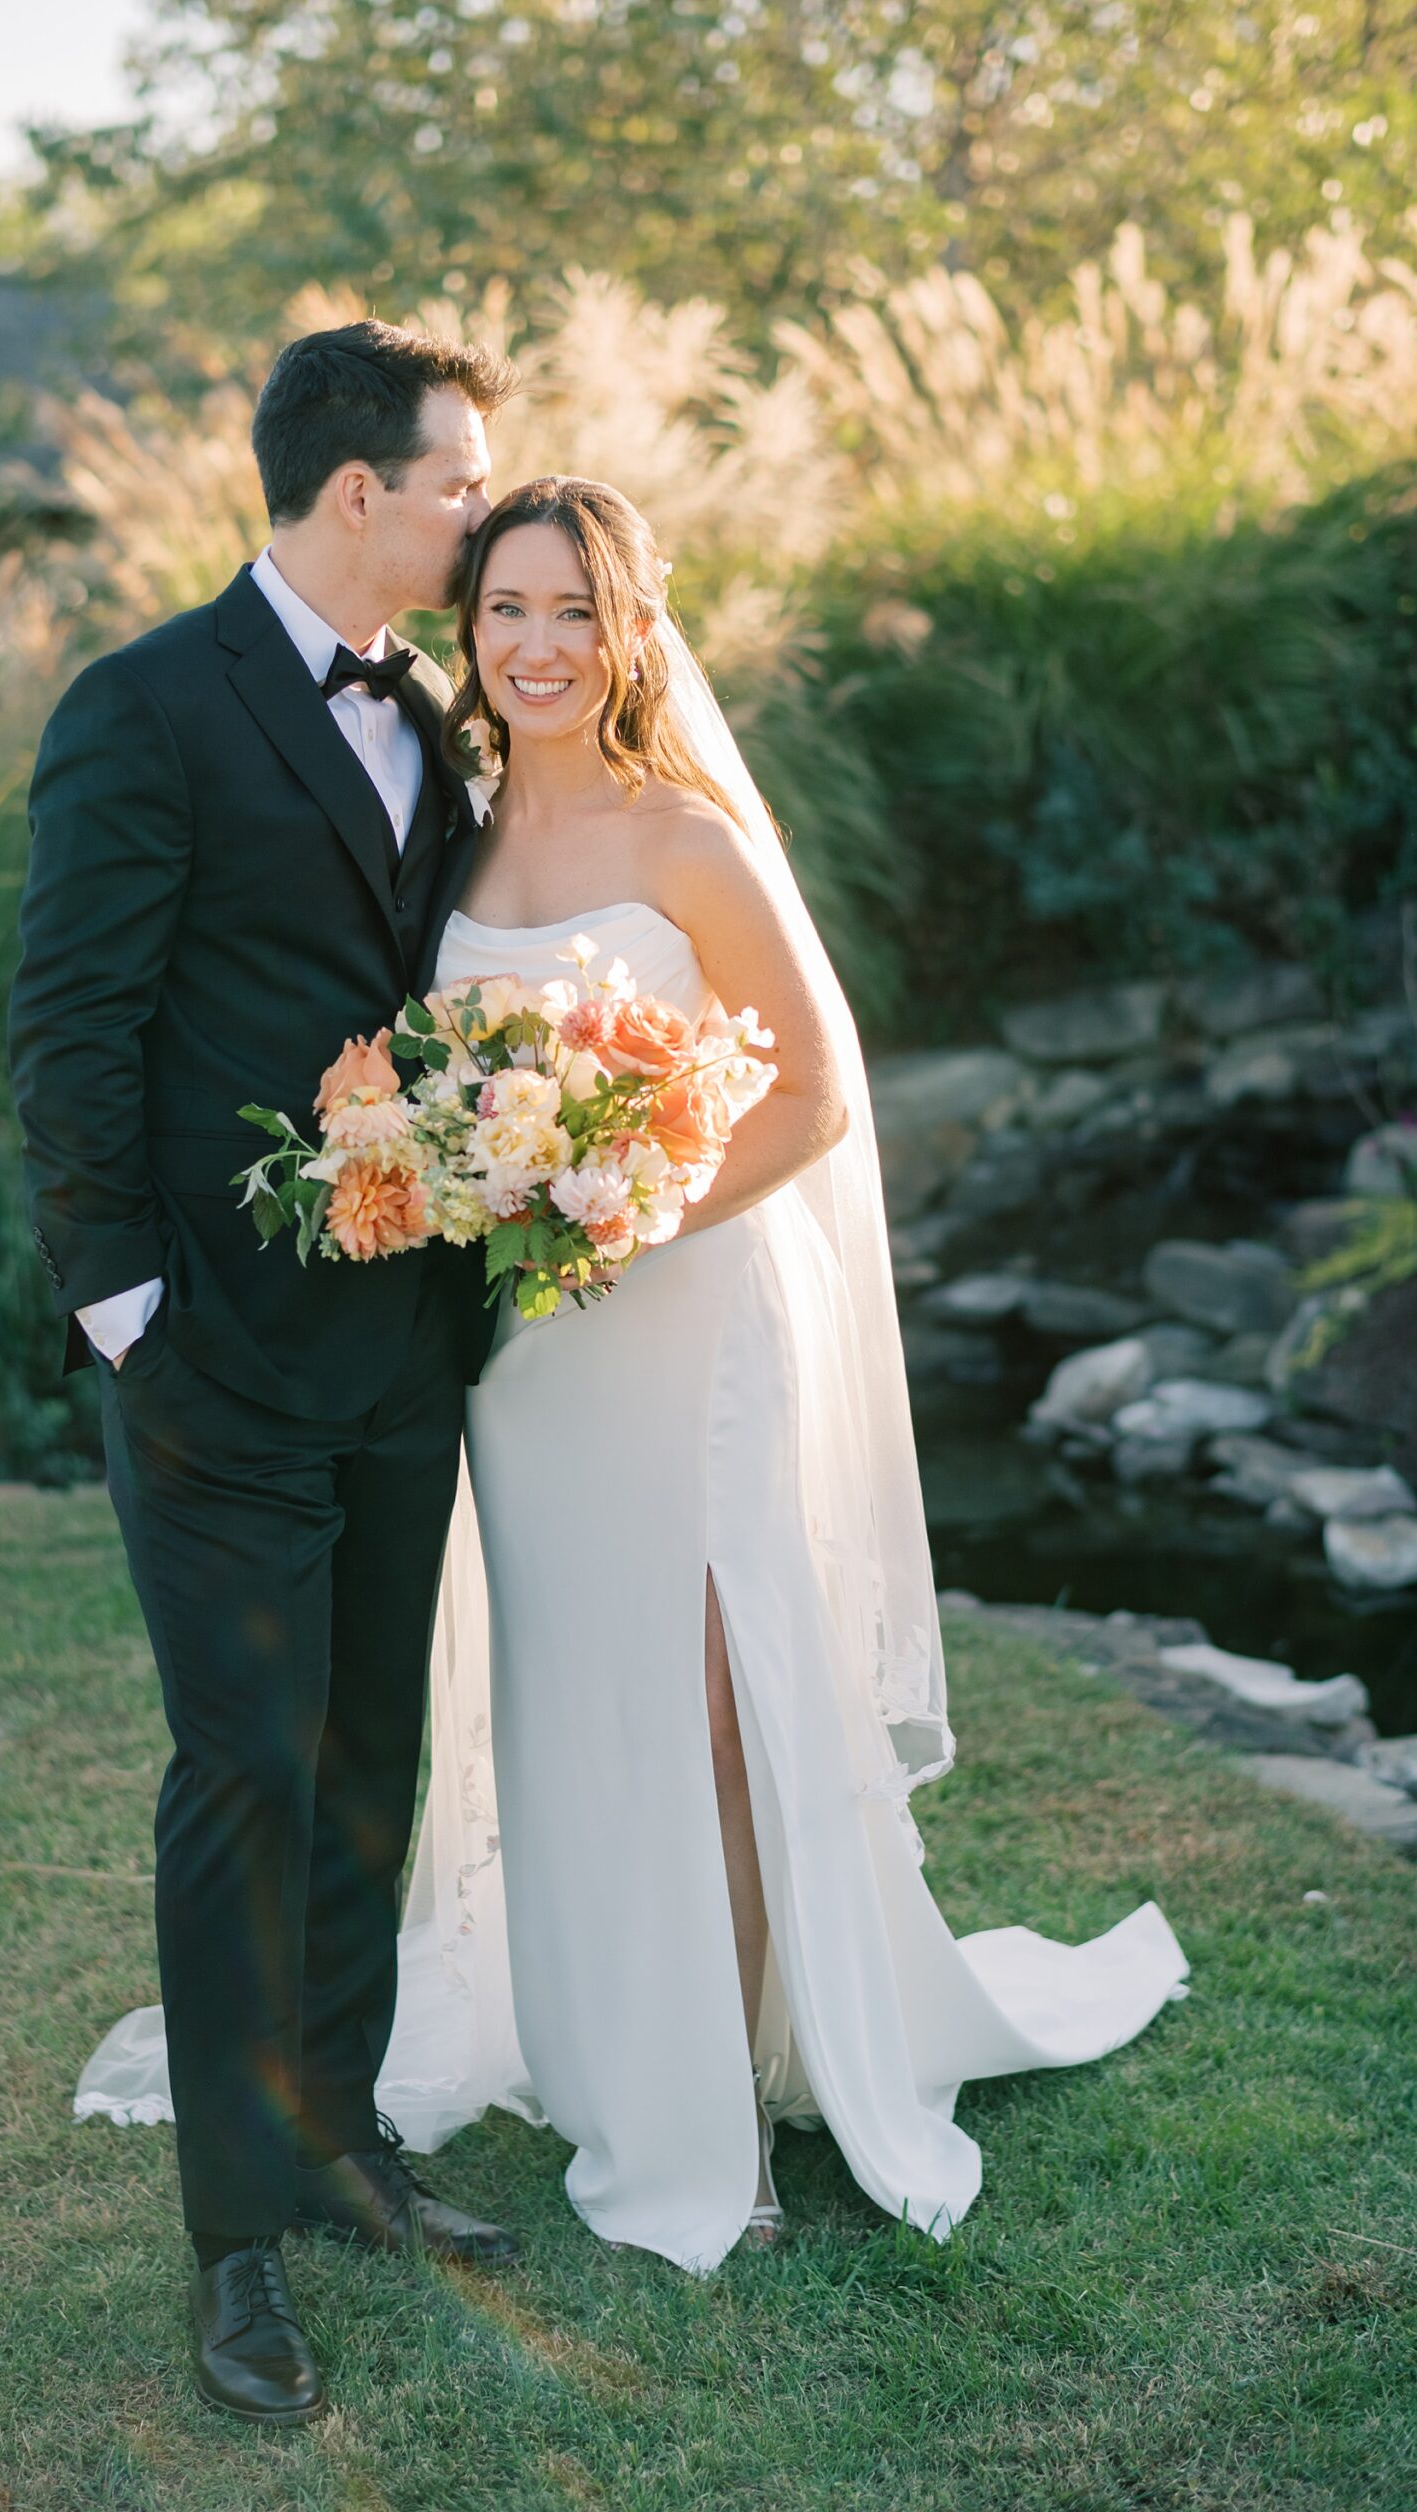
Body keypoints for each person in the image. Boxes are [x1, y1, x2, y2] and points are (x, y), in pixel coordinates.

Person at [375, 476, 1193, 2270]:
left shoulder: (690, 841)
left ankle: (716, 2111)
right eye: (507, 610)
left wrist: (618, 1205)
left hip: (680, 1314)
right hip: (529, 1357)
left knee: (720, 1699)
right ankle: (611, 2050)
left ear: (629, 629)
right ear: (469, 631)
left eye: (574, 612)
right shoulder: (455, 828)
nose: (537, 646)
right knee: (579, 1693)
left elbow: (814, 1097)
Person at [9, 319, 521, 2429]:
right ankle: (235, 2239)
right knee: (242, 1771)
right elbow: (70, 1023)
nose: (480, 517)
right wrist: (126, 1309)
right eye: (460, 487)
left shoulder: (445, 721)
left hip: (405, 1349)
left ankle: (337, 2137)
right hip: (214, 1360)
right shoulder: (143, 706)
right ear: (353, 497)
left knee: (368, 1757)